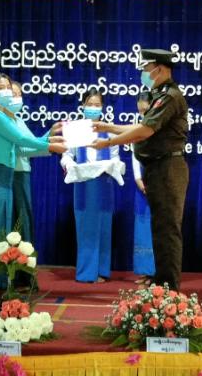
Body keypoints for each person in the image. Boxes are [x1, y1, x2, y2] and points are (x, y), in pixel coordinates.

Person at [90, 49, 189, 290]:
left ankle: (168, 287)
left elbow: (144, 131)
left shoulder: (169, 97)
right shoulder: (159, 95)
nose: (144, 74)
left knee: (167, 229)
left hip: (168, 168)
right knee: (160, 228)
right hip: (158, 168)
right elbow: (141, 126)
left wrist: (109, 142)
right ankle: (162, 281)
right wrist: (109, 127)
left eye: (146, 69)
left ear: (159, 69)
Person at [0, 73, 67, 295]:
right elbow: (22, 140)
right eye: (1, 88)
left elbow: (22, 145)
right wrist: (50, 145)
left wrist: (50, 140)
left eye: (8, 87)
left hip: (4, 178)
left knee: (1, 233)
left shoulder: (3, 116)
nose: (6, 92)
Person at [61, 89, 121, 283]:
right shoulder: (75, 129)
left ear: (102, 108)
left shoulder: (109, 130)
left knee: (104, 226)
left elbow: (115, 156)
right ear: (83, 106)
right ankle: (86, 273)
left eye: (97, 105)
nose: (93, 108)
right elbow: (66, 155)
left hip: (104, 184)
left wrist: (115, 165)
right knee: (85, 228)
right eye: (90, 104)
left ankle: (102, 271)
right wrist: (70, 165)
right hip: (84, 185)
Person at [131, 91, 155, 284]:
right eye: (140, 110)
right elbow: (134, 156)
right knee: (143, 228)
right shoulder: (137, 128)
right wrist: (138, 179)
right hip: (142, 187)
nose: (142, 113)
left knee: (157, 228)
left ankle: (156, 273)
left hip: (157, 184)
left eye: (145, 109)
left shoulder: (159, 127)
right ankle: (145, 271)